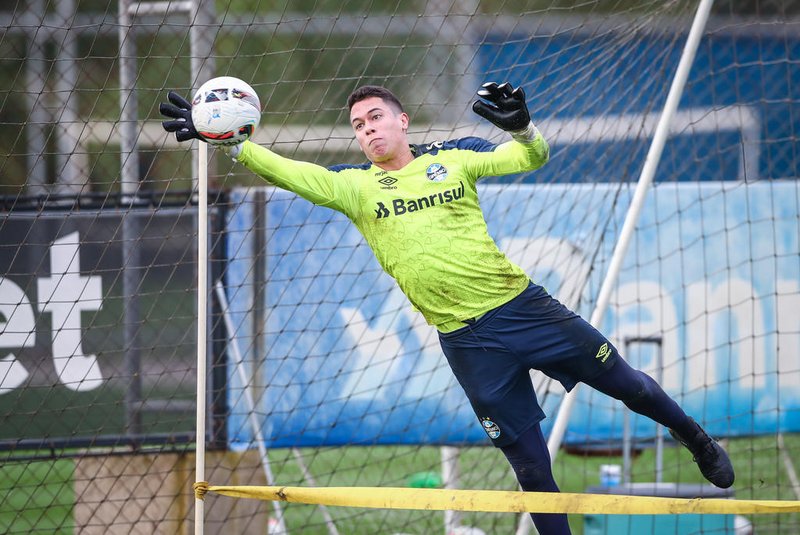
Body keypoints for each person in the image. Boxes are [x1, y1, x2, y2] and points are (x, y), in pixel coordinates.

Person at [161, 82, 734, 534]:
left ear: (401, 120)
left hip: (525, 309)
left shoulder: (453, 158)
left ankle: (698, 440)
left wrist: (525, 128)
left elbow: (528, 158)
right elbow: (289, 170)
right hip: (468, 343)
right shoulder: (354, 188)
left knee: (630, 386)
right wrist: (230, 140)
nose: (367, 130)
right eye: (358, 126)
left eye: (376, 118)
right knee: (531, 466)